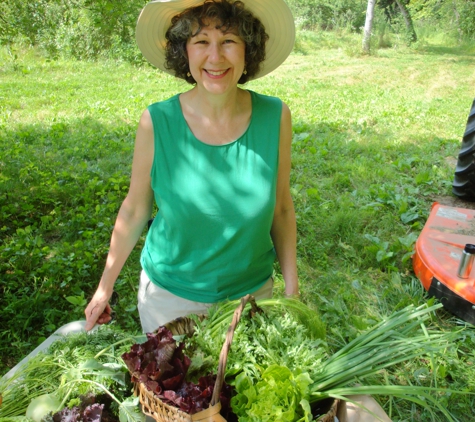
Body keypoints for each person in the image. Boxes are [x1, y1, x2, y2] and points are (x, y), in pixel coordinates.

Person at [84, 0, 299, 334]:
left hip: (250, 298)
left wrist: (291, 288)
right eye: (201, 42)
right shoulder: (157, 122)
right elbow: (135, 208)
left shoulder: (275, 116)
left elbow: (281, 208)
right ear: (184, 51)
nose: (215, 57)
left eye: (229, 40)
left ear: (248, 49)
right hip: (170, 300)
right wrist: (104, 286)